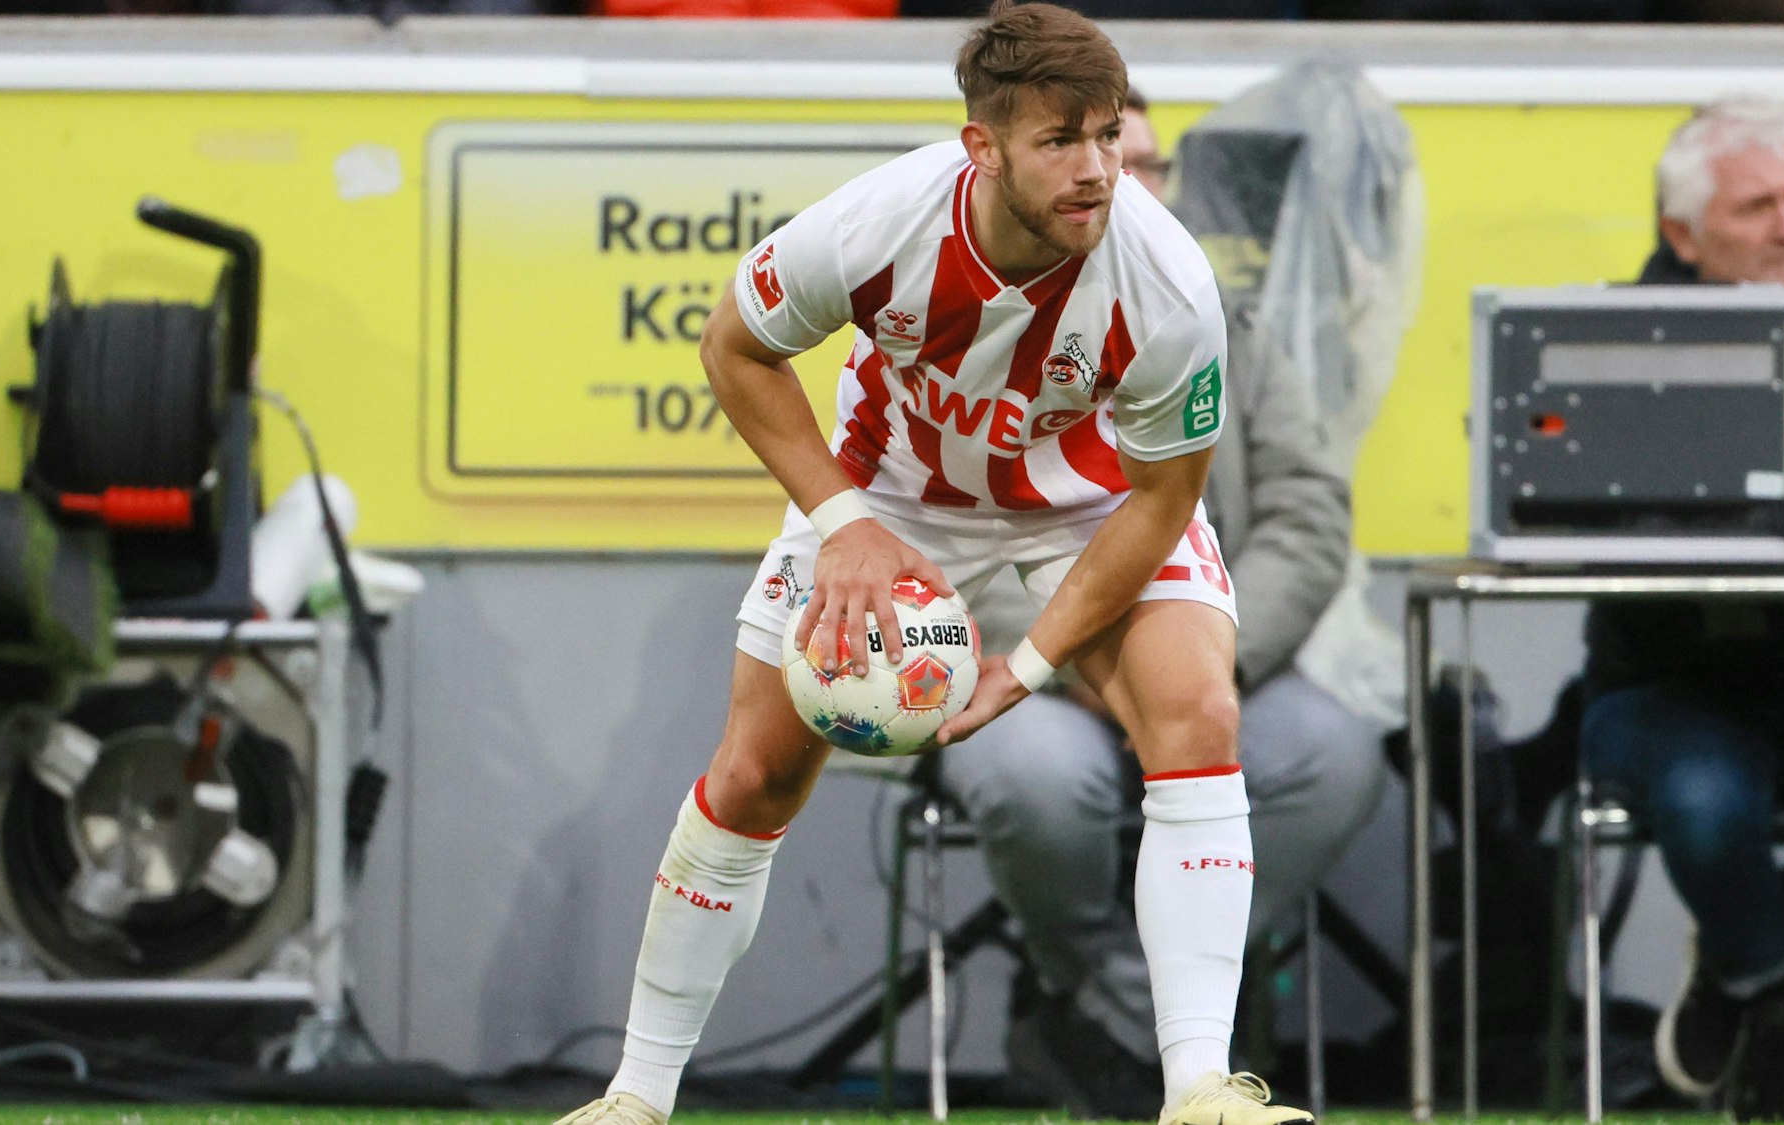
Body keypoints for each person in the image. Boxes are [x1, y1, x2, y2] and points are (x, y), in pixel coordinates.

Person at [554, 5, 1312, 1124]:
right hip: (890, 500)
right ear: (982, 148)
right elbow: (735, 346)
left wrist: (1033, 664)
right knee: (753, 774)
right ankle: (633, 1100)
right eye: (1060, 141)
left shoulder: (1168, 286)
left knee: (1197, 711)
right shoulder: (878, 225)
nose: (1097, 170)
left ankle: (1199, 1088)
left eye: (1107, 136)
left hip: (1085, 509)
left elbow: (1161, 502)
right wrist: (845, 523)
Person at [940, 92, 1387, 1120]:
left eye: (1143, 165)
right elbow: (938, 532)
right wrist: (1076, 664)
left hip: (1209, 659)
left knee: (1330, 759)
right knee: (1035, 786)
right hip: (1030, 682)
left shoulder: (1230, 330)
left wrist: (1208, 664)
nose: (1120, 186)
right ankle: (1134, 1014)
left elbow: (1308, 519)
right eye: (1090, 159)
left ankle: (1100, 1017)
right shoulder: (957, 324)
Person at [1581, 95, 1784, 1124]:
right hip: (1666, 685)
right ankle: (1777, 981)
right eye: (1756, 206)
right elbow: (1600, 524)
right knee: (1708, 812)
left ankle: (1743, 972)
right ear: (1682, 235)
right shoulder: (1614, 337)